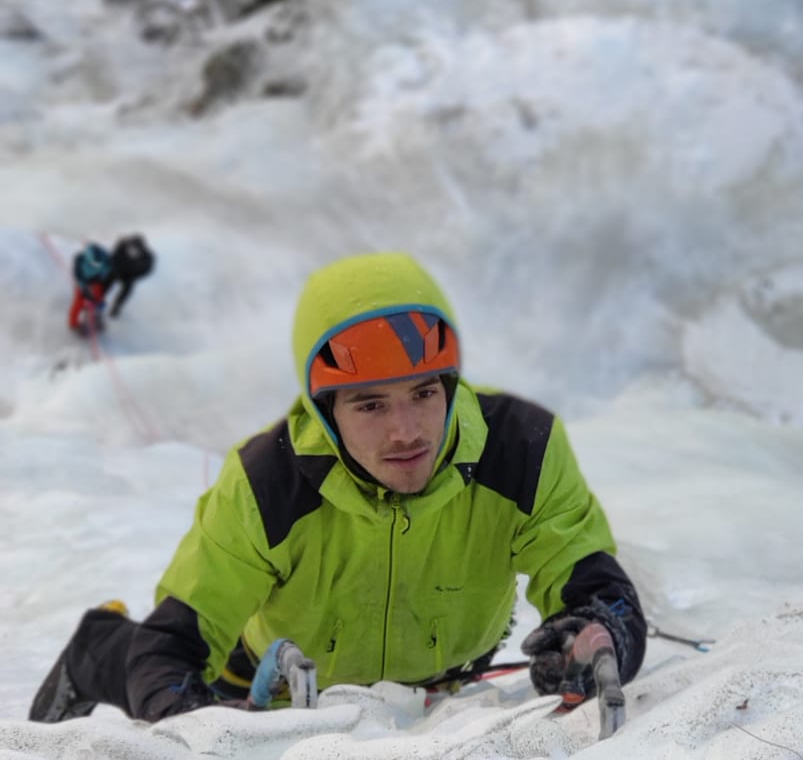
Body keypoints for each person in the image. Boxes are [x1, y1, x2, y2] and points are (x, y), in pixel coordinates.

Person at [29, 251, 646, 725]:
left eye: (426, 394)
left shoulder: (521, 451)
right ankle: (94, 648)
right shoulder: (266, 483)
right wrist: (198, 726)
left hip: (441, 680)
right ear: (324, 411)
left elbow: (593, 584)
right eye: (370, 404)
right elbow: (171, 646)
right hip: (261, 686)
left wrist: (601, 633)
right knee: (140, 663)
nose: (407, 431)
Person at [105, 234, 156, 318]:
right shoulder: (122, 247)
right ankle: (99, 300)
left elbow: (147, 270)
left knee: (126, 290)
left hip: (129, 275)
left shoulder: (147, 256)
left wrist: (134, 275)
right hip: (118, 271)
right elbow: (113, 259)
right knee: (107, 282)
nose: (133, 251)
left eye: (136, 248)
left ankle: (116, 307)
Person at [68, 242, 112, 335]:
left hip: (97, 281)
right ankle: (74, 324)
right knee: (79, 302)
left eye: (99, 263)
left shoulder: (106, 258)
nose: (96, 265)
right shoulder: (80, 259)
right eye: (94, 263)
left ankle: (97, 318)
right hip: (83, 282)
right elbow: (78, 276)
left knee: (99, 301)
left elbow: (109, 271)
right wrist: (84, 288)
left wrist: (104, 282)